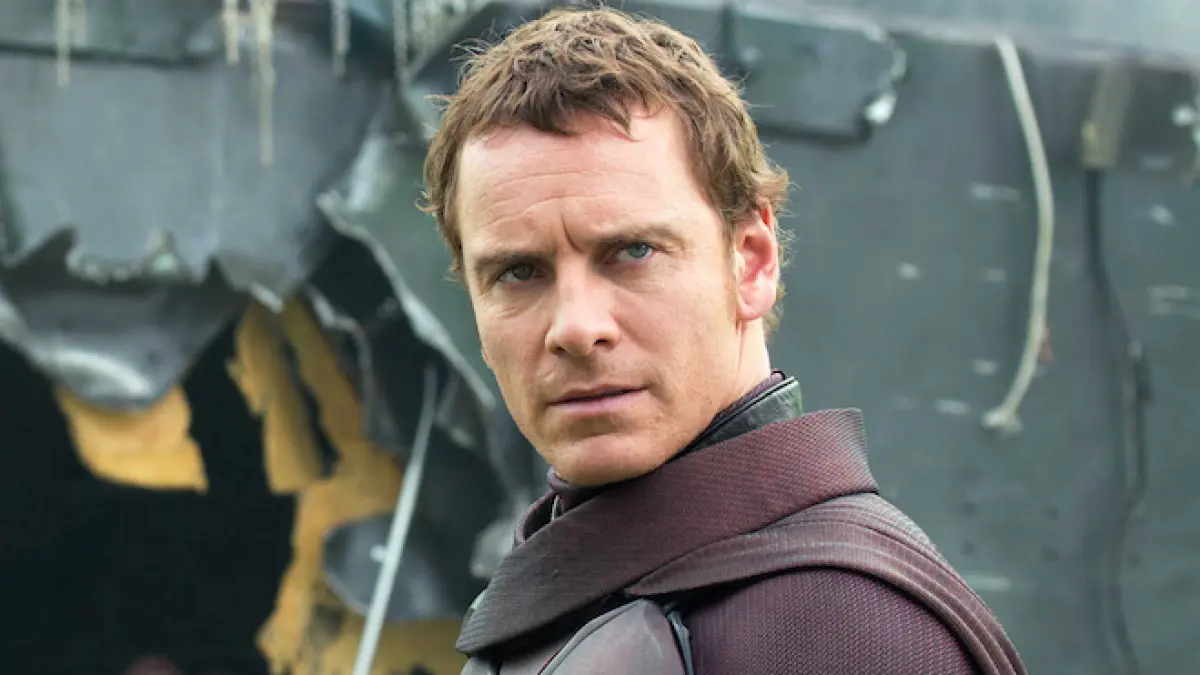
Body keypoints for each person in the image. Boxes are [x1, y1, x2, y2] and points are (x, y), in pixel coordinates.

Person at [421, 6, 1027, 674]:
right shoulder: (591, 580)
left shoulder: (847, 628)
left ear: (752, 262)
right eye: (518, 272)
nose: (576, 327)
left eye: (633, 251)